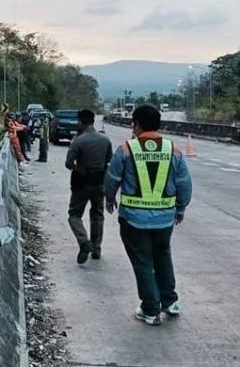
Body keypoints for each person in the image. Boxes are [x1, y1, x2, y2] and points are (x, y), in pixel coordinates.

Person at [104, 105, 192, 326]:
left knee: (143, 261)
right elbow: (184, 183)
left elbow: (112, 177)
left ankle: (150, 309)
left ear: (137, 125)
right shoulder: (174, 150)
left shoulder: (126, 149)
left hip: (134, 218)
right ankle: (170, 301)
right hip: (164, 219)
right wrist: (180, 208)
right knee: (163, 255)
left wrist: (109, 198)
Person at [64, 109, 113, 264]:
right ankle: (97, 249)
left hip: (82, 183)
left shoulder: (78, 141)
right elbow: (109, 160)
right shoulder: (105, 140)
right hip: (100, 182)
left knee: (74, 215)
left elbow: (68, 163)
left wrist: (77, 168)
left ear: (80, 122)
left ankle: (85, 242)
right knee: (97, 215)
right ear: (92, 121)